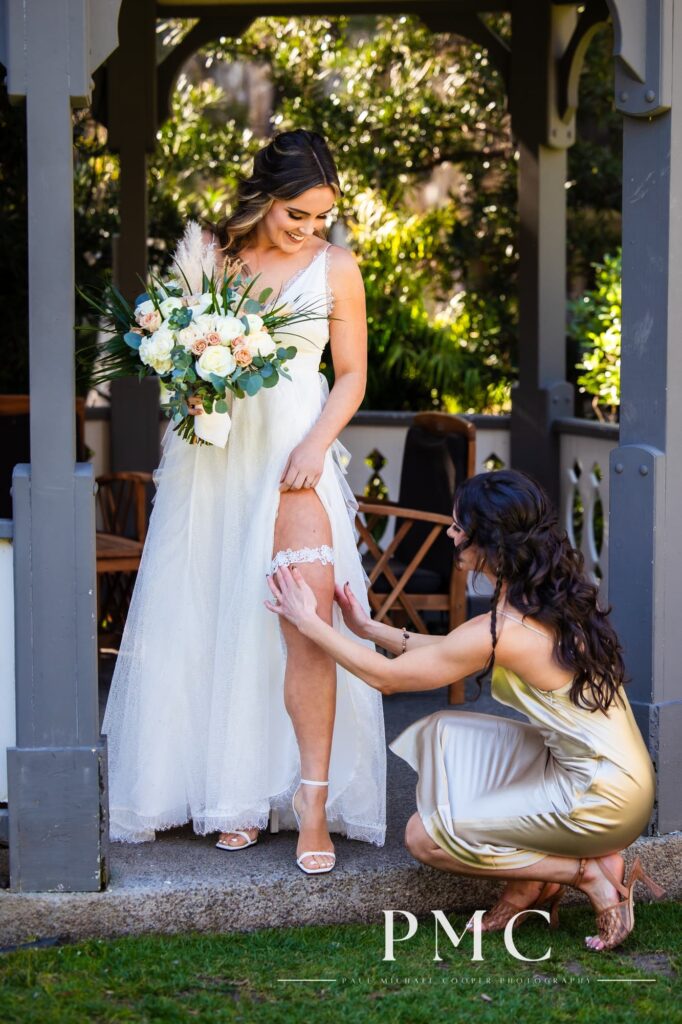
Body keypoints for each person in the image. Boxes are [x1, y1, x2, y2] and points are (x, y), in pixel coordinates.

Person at [102, 128, 386, 874]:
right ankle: (231, 793)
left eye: (322, 216)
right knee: (208, 613)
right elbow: (180, 367)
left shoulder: (337, 269)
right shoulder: (218, 260)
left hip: (296, 459)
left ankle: (312, 802)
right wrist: (190, 384)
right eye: (299, 214)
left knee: (305, 620)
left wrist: (317, 443)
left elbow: (352, 375)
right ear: (265, 199)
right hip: (214, 463)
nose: (310, 229)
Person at [265, 468, 664, 947]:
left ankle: (586, 873)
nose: (451, 533)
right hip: (612, 772)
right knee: (449, 735)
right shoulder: (544, 597)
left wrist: (309, 623)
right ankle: (531, 882)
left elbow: (387, 679)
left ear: (489, 539)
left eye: (459, 526)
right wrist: (368, 630)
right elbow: (452, 646)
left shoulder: (508, 627)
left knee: (424, 837)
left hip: (603, 796)